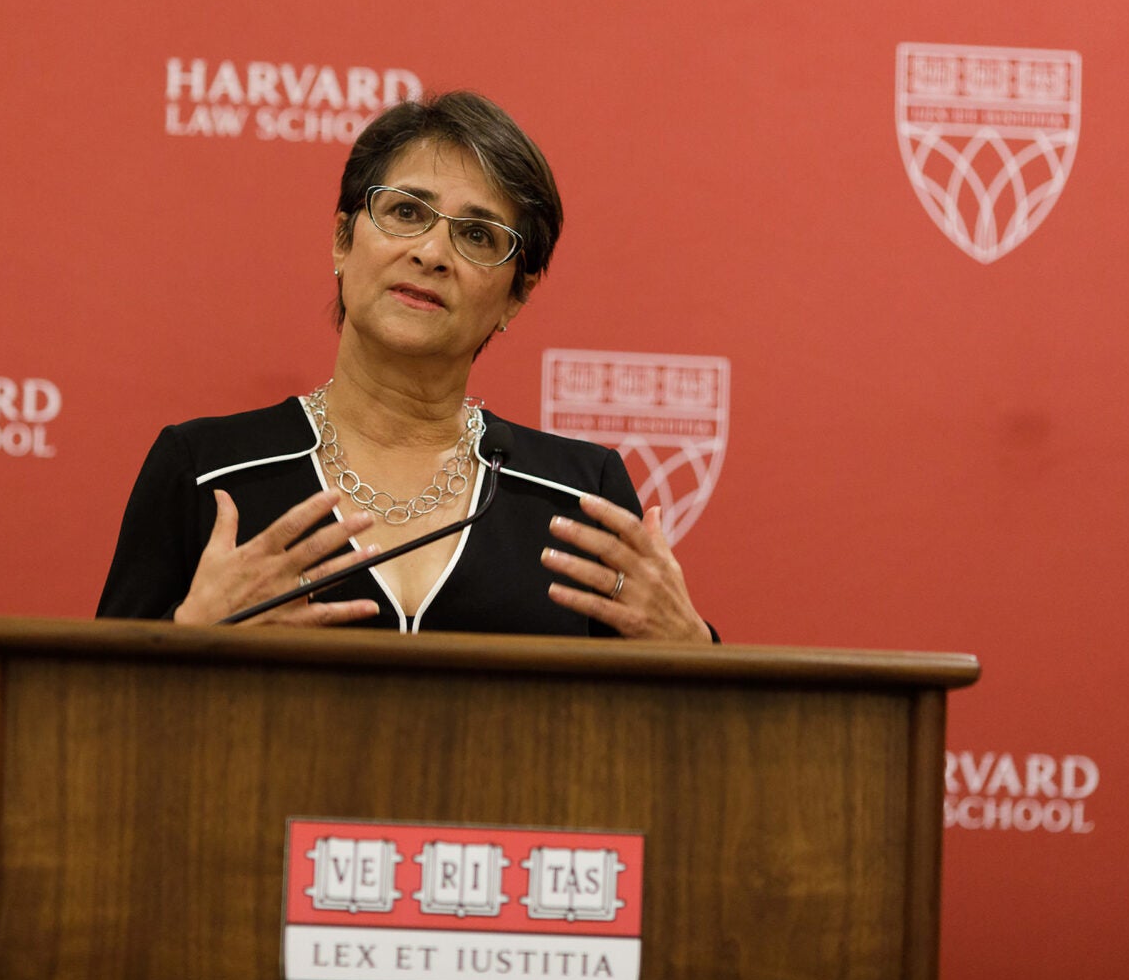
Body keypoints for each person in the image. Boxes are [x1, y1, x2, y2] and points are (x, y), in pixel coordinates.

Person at [98, 91, 715, 642]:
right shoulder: (209, 471)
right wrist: (185, 637)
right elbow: (90, 722)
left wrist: (692, 647)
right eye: (406, 212)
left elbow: (673, 739)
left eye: (478, 235)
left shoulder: (580, 495)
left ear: (514, 298)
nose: (431, 253)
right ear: (343, 240)